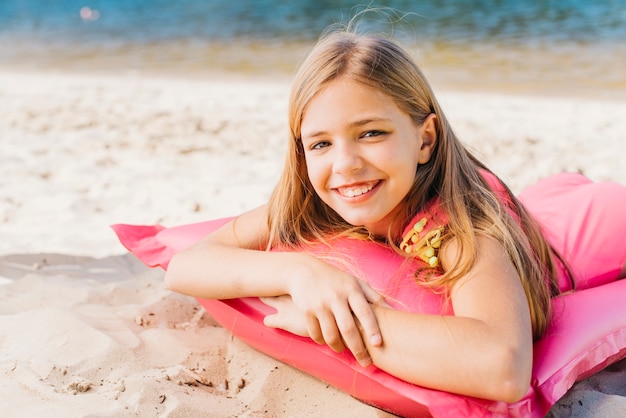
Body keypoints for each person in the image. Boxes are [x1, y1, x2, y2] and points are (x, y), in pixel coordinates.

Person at [164, 28, 626, 403]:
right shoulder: (315, 200)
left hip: (583, 231)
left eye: (370, 133)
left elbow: (502, 368)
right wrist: (297, 271)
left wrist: (338, 328)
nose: (344, 164)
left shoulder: (461, 226)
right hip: (539, 204)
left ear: (425, 139)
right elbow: (185, 266)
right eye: (321, 143)